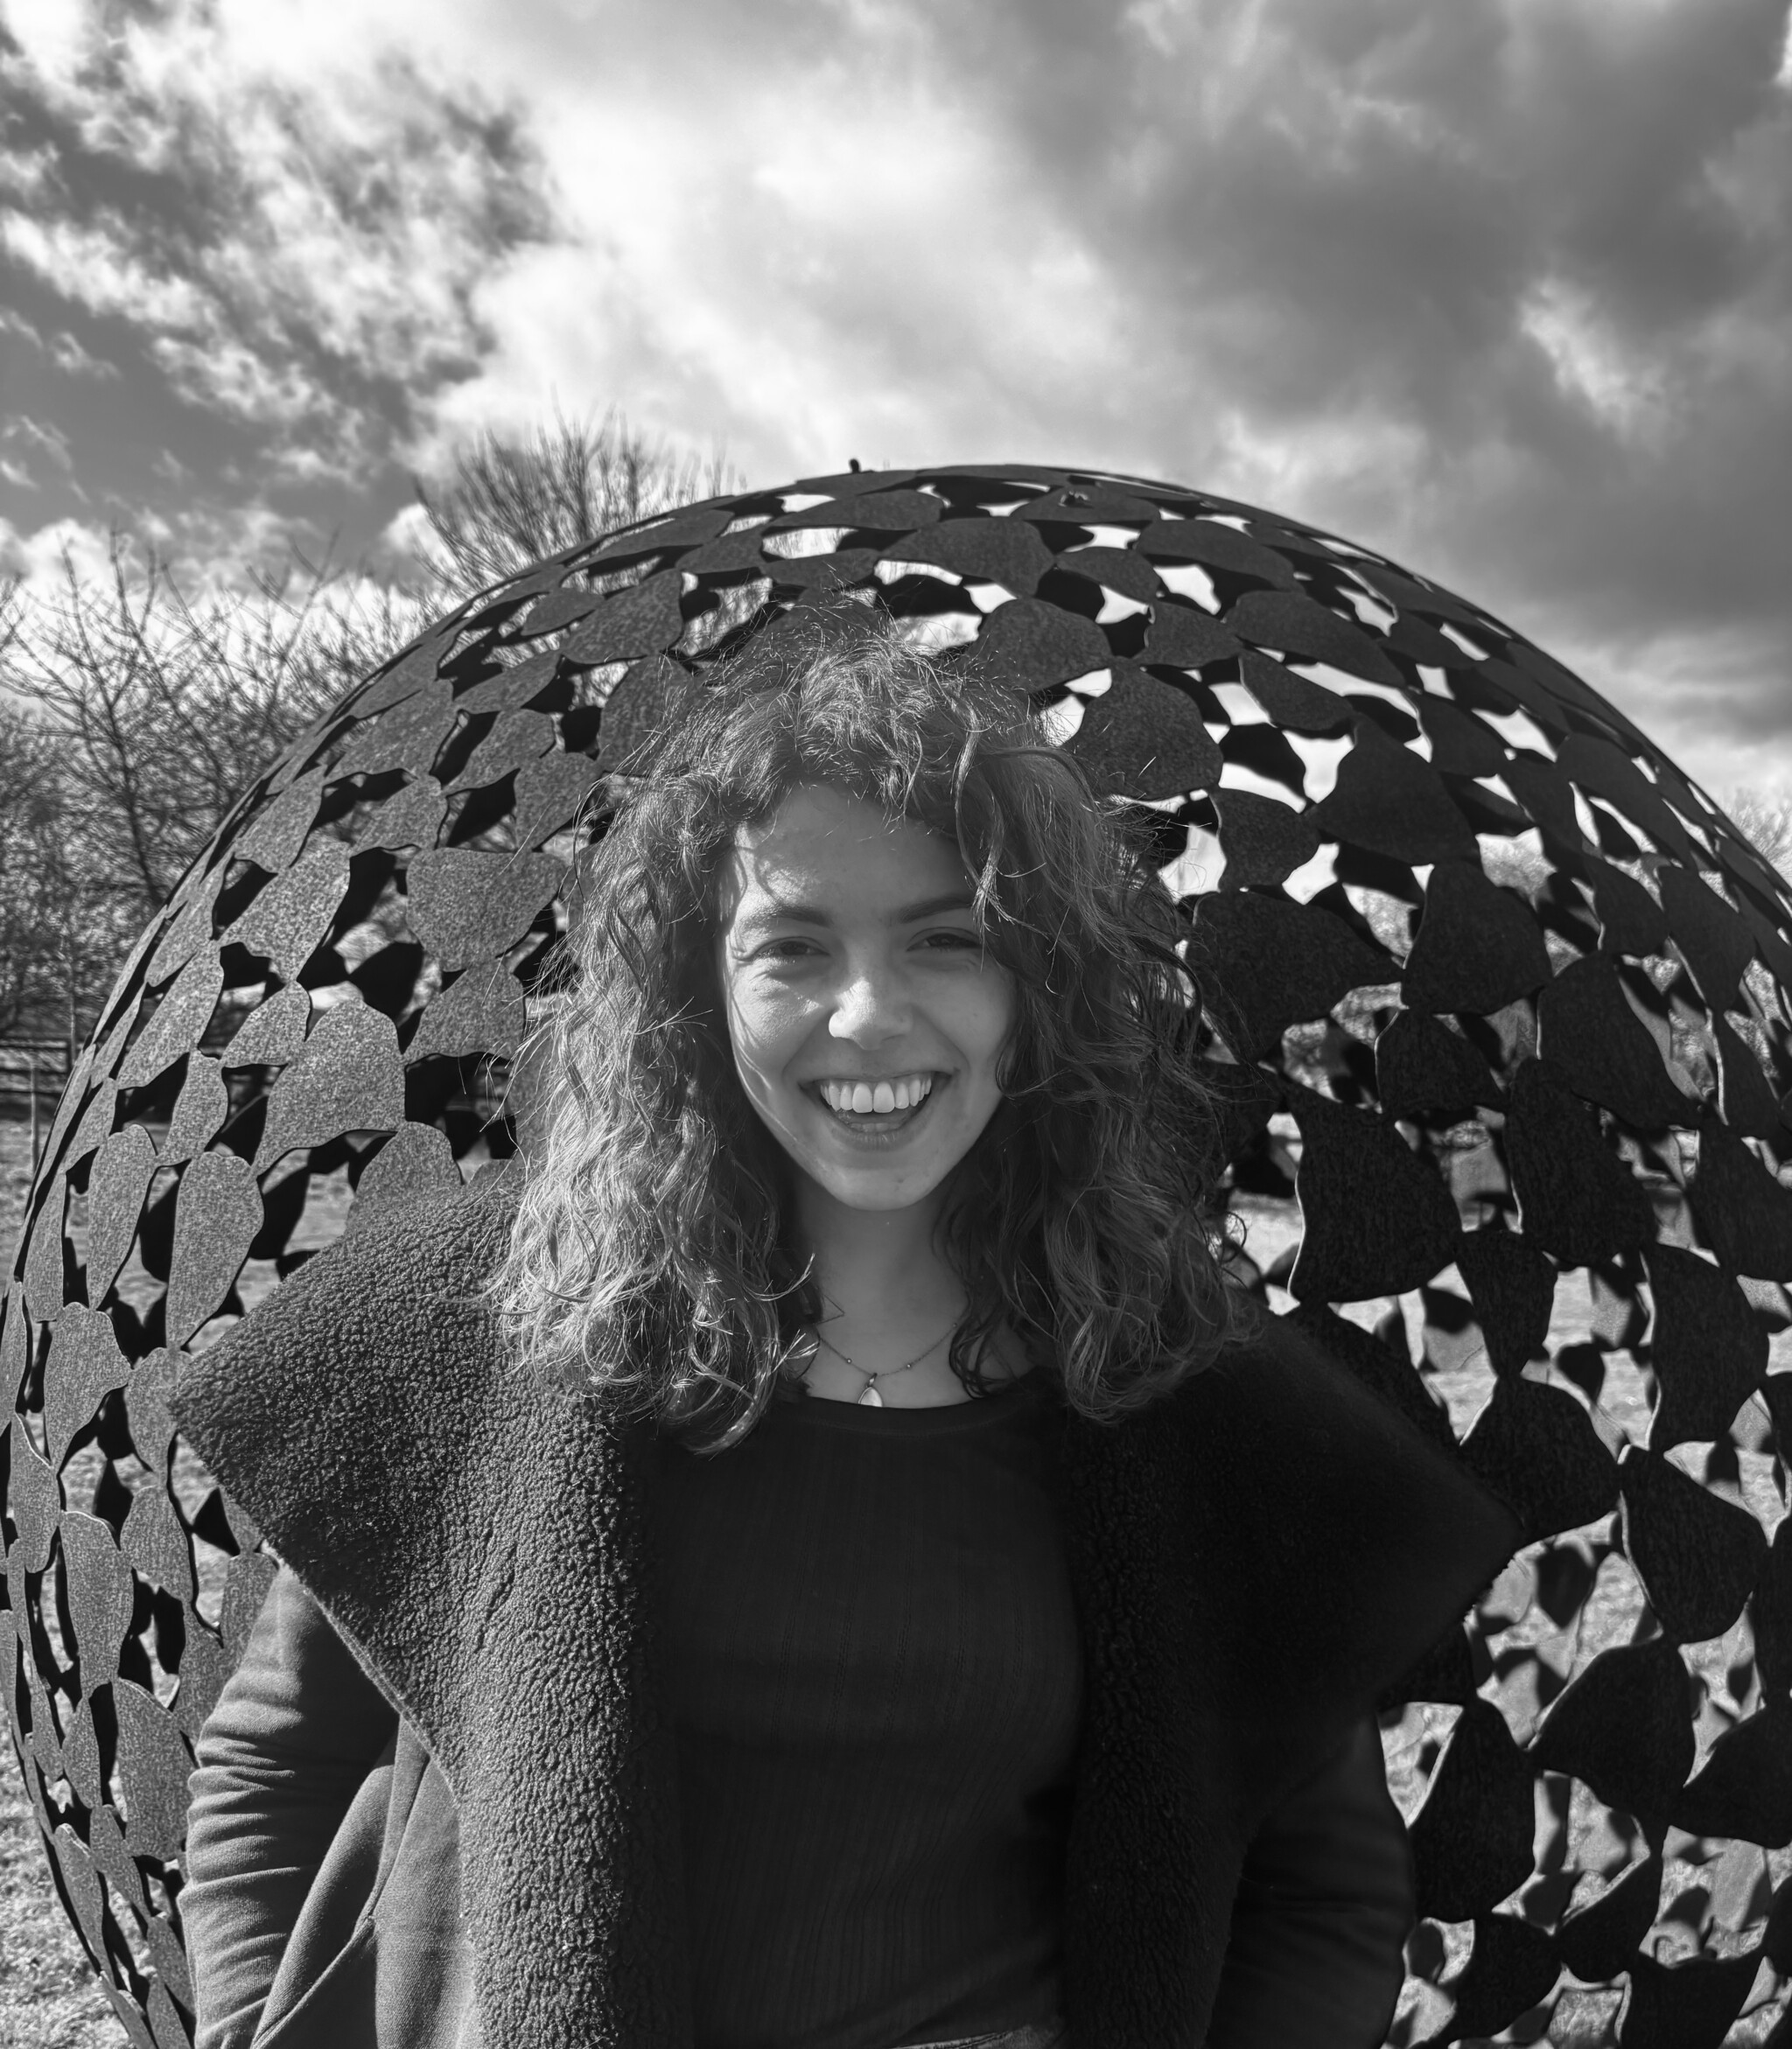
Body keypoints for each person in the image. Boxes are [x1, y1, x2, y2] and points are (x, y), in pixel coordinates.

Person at [175, 598, 1520, 2049]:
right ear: (700, 987)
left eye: (948, 940)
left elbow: (1324, 1883)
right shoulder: (488, 1328)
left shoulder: (1185, 1388)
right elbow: (270, 1767)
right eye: (795, 947)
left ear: (1037, 987)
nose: (868, 1013)